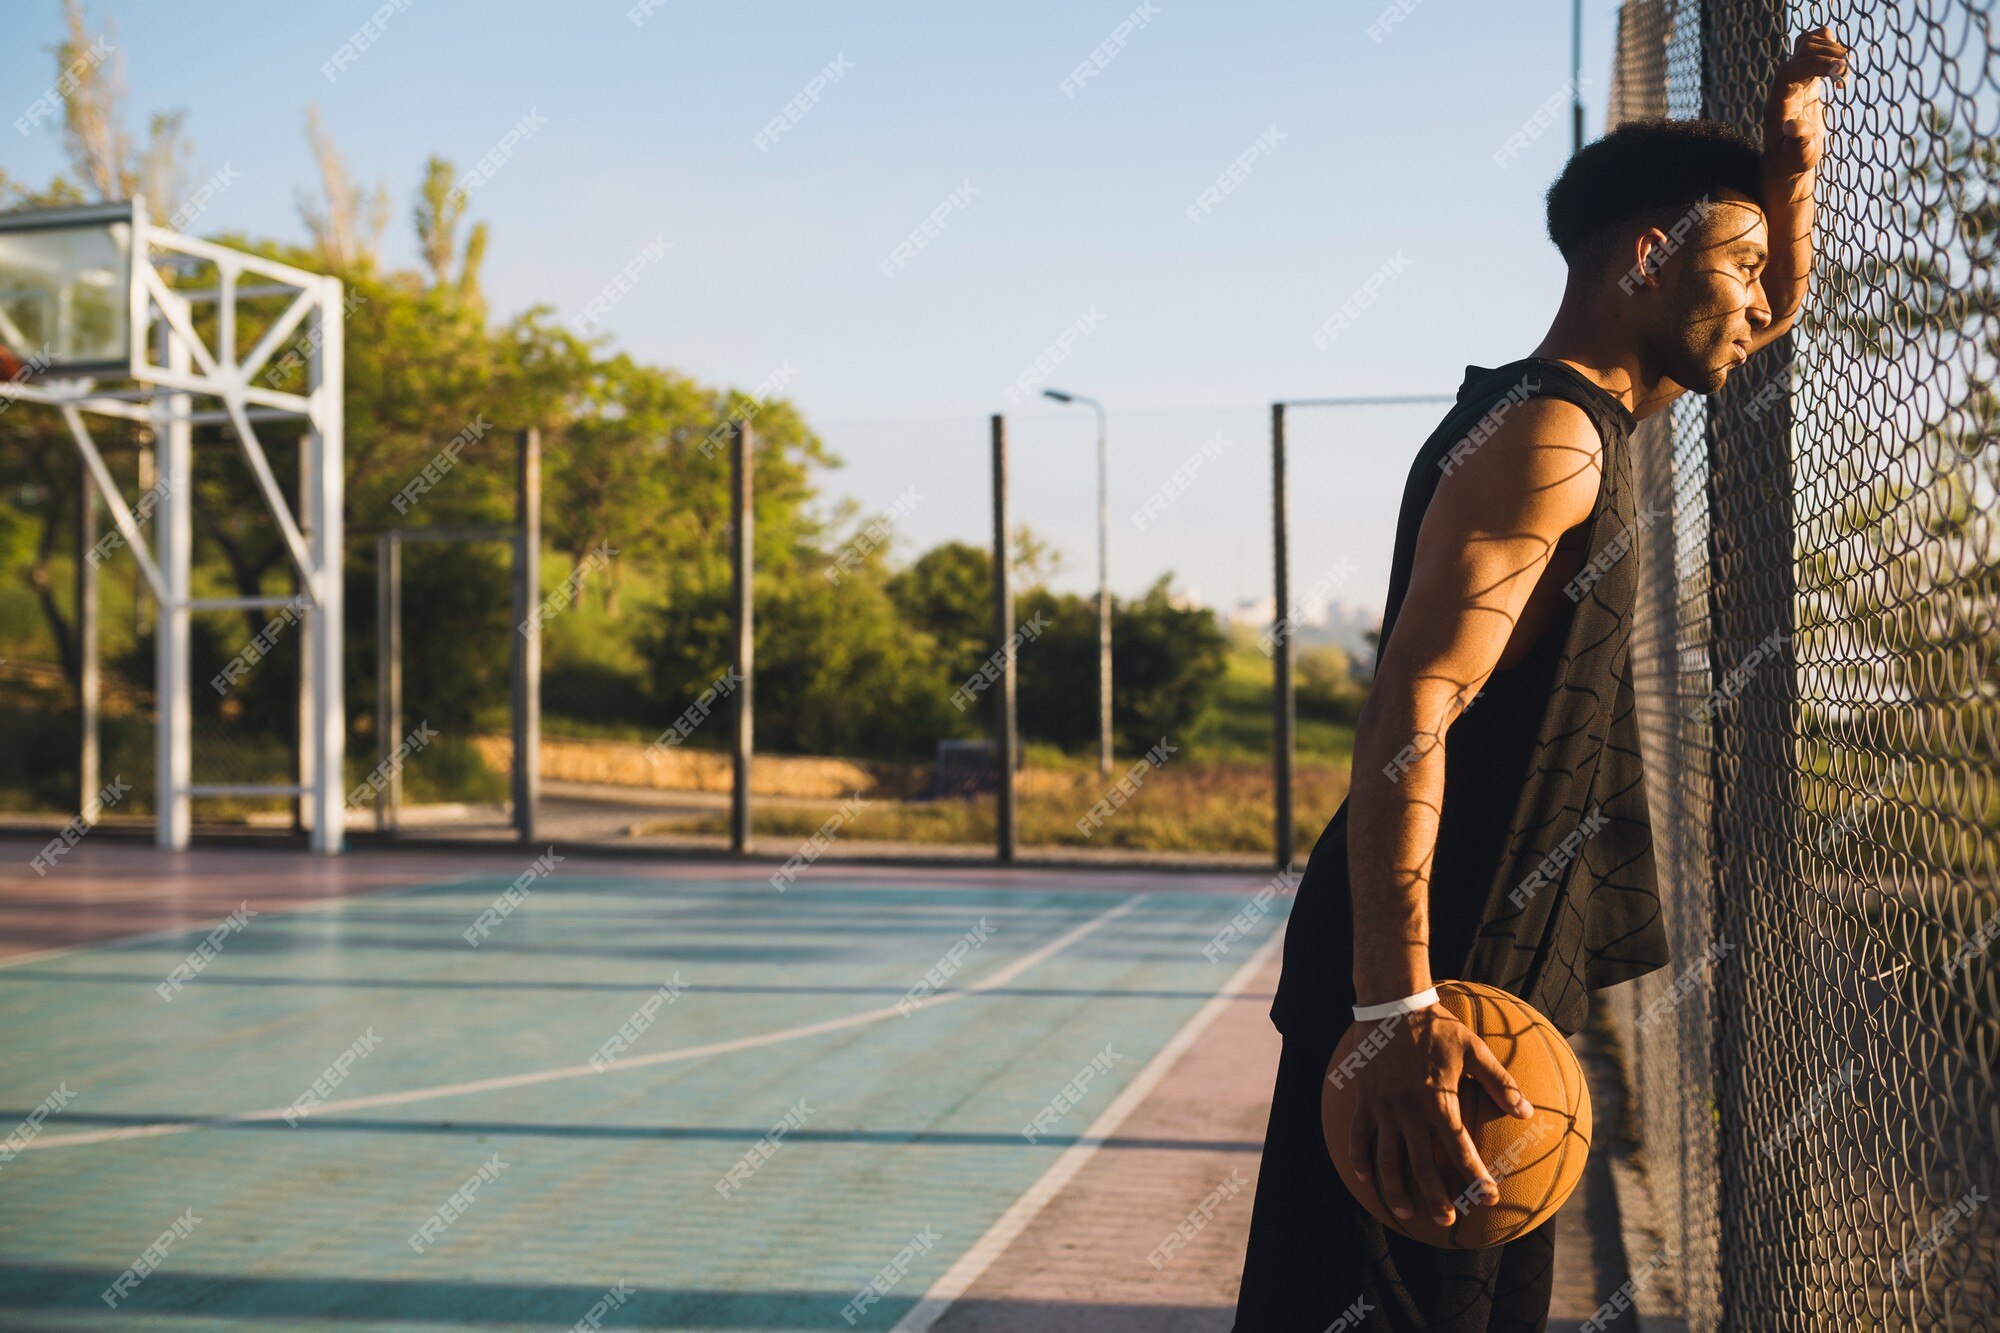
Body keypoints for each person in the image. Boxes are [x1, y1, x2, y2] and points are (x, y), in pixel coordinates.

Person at [1233, 28, 1849, 1333]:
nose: (1762, 301)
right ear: (1645, 260)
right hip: (1430, 970)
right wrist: (1396, 1009)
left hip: (1490, 966)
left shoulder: (1595, 406)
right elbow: (1413, 705)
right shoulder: (1555, 438)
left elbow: (1767, 308)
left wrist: (1788, 177)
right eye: (1734, 269)